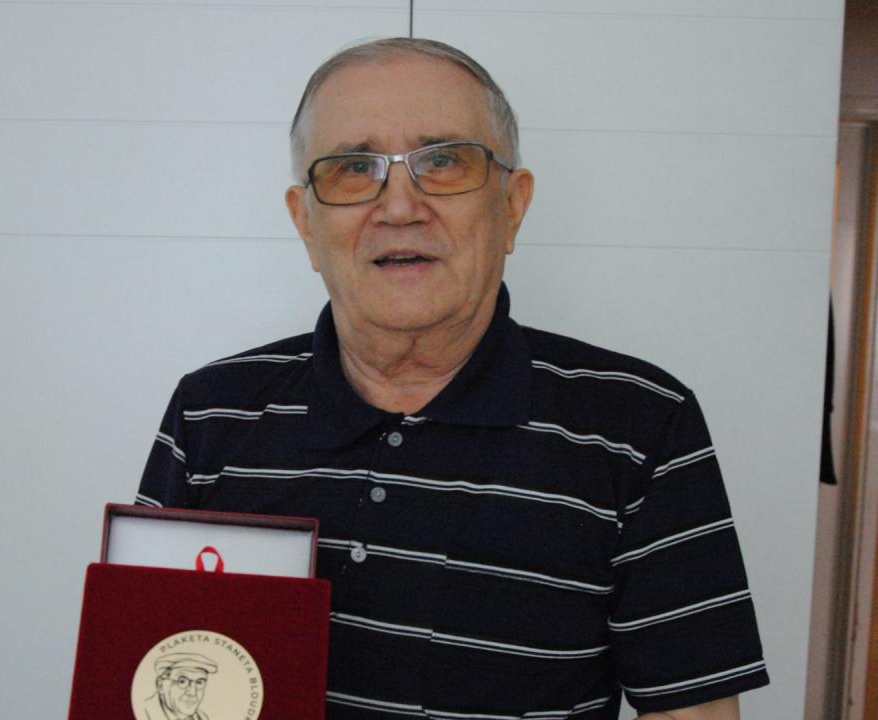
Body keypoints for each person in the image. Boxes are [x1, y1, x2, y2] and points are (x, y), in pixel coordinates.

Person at [137, 38, 769, 720]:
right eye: (354, 168)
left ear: (513, 206)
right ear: (305, 223)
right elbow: (146, 679)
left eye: (442, 162)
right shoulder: (210, 416)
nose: (399, 207)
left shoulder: (642, 429)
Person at [142, 653, 217, 720]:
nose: (193, 693)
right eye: (182, 682)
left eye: (199, 682)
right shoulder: (143, 712)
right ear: (160, 685)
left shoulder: (202, 717)